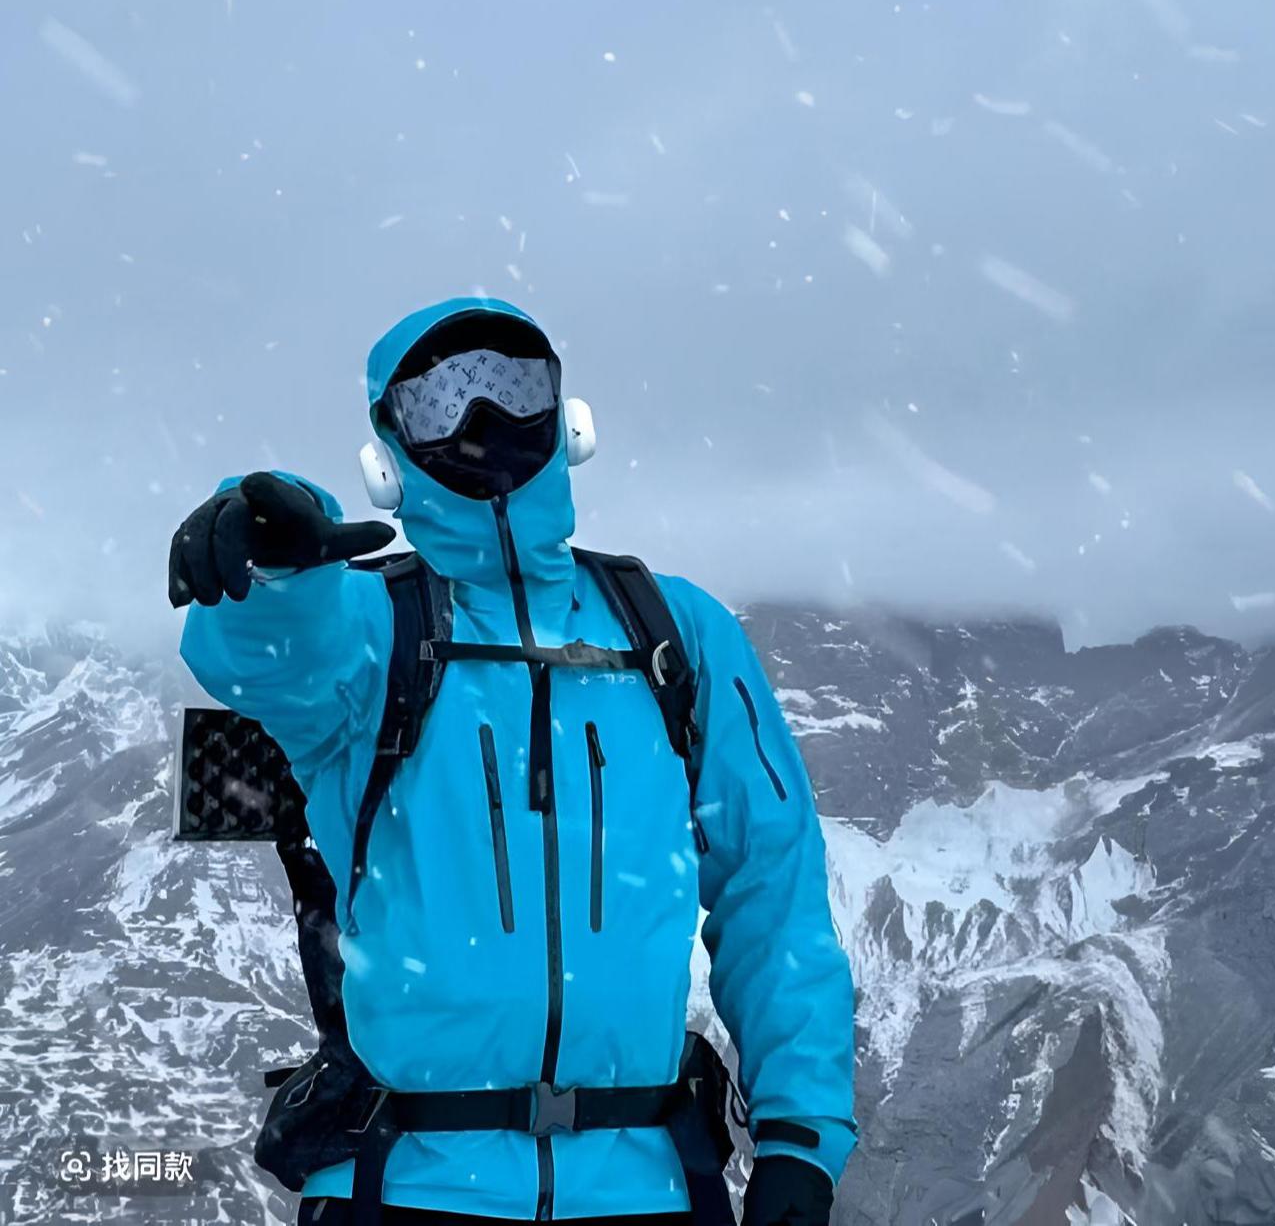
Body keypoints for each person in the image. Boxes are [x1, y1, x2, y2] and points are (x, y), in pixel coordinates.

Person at [169, 297, 857, 1226]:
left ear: (565, 417)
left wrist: (800, 1135)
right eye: (443, 401)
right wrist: (276, 565)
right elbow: (270, 656)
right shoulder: (377, 629)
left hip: (645, 1186)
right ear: (390, 452)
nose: (484, 423)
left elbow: (770, 889)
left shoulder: (676, 633)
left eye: (510, 387)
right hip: (400, 1185)